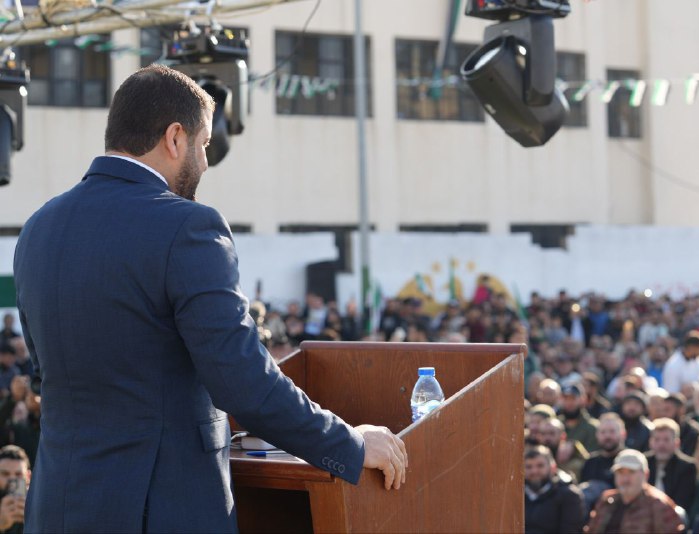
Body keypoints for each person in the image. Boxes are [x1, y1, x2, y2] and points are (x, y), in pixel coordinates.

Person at [12, 65, 407, 533]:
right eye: (203, 145)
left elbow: (46, 374)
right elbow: (243, 383)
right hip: (159, 513)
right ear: (174, 137)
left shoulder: (38, 228)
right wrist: (351, 444)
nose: (203, 163)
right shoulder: (187, 226)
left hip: (56, 509)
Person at [585, 449, 684, 533]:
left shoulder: (658, 504)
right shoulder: (607, 500)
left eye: (631, 472)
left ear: (645, 474)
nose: (625, 479)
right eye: (620, 472)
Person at [523, 445, 585, 534]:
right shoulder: (517, 496)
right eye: (529, 467)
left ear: (553, 468)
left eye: (540, 466)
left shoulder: (568, 495)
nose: (534, 471)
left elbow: (570, 530)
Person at [645, 418, 697, 512]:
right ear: (650, 442)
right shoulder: (644, 463)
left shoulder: (687, 467)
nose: (661, 444)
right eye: (657, 440)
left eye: (666, 440)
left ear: (677, 443)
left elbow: (682, 502)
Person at [560, 383, 600, 453]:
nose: (569, 403)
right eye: (566, 398)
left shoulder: (593, 427)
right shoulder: (556, 424)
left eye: (573, 398)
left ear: (583, 399)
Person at [0, 445, 30, 534]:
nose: (12, 479)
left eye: (18, 474)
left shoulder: (39, 501)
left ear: (28, 476)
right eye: (5, 474)